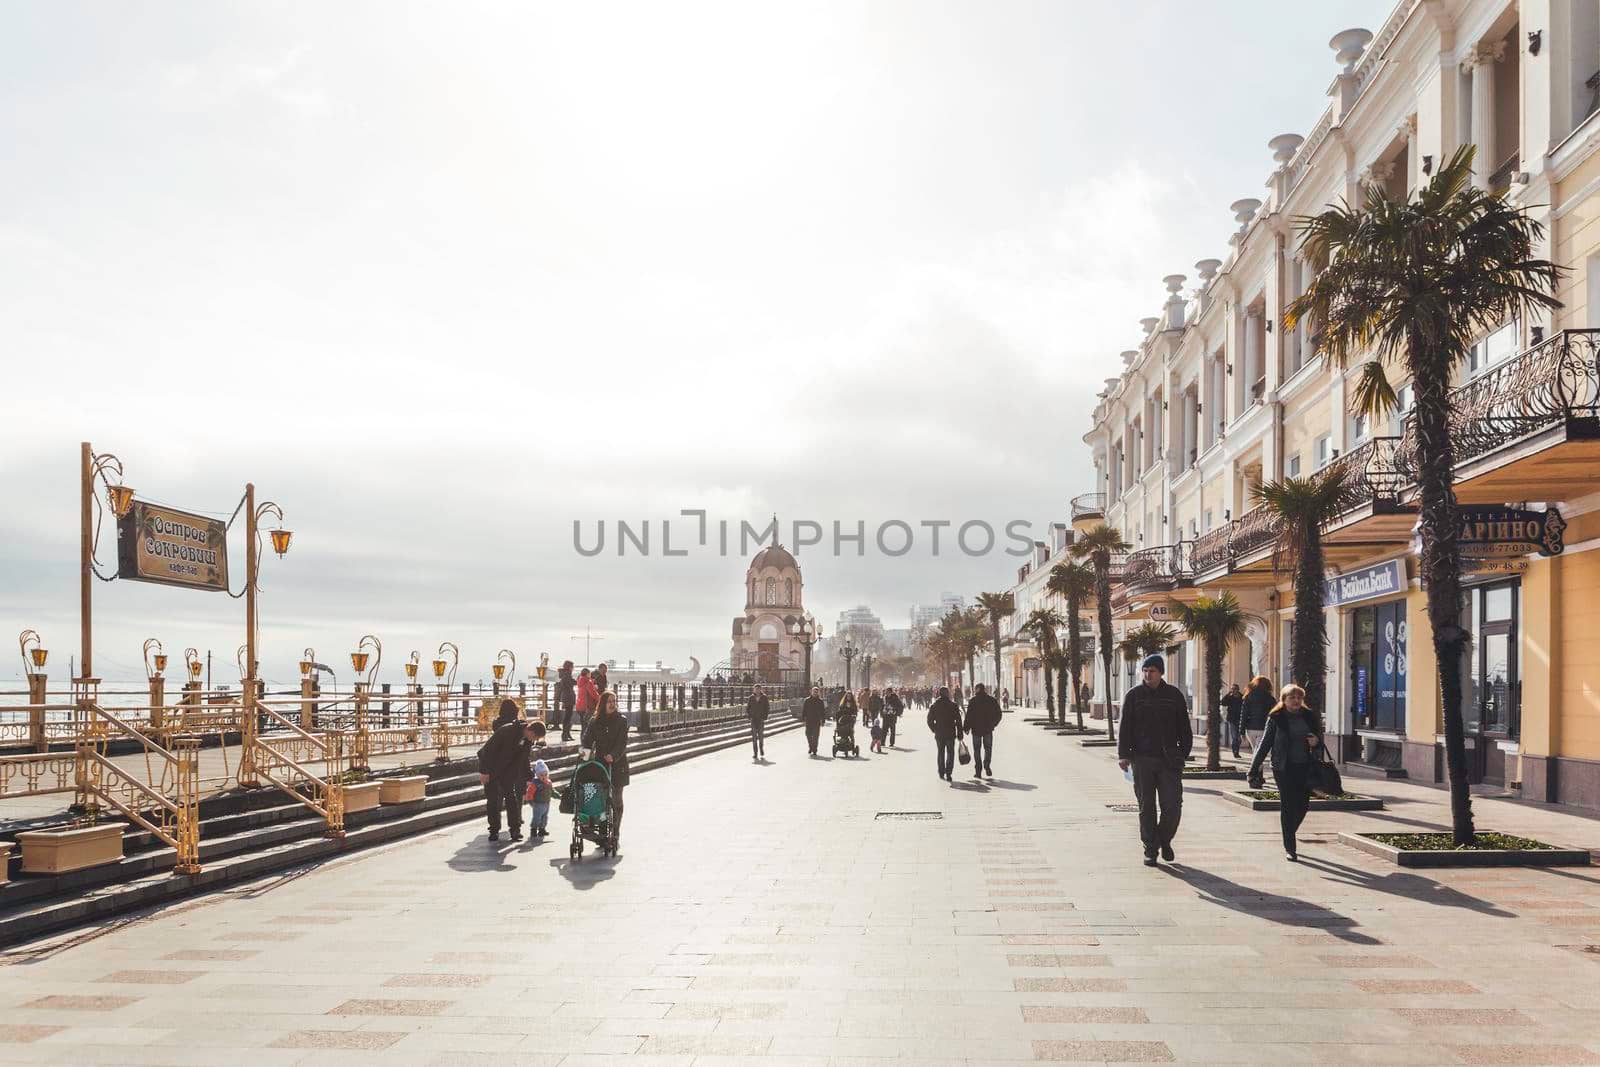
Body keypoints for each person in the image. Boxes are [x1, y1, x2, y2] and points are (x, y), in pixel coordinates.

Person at [1116, 654, 1192, 866]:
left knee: (1173, 806)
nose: (1148, 674)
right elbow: (1125, 727)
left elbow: (1184, 727)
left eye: (1153, 671)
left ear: (1161, 673)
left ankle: (1164, 839)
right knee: (1146, 806)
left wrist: (1183, 752)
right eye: (1146, 670)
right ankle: (1150, 848)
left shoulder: (1174, 695)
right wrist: (1123, 754)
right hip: (1142, 759)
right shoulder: (1134, 695)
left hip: (1169, 761)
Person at [1247, 684, 1325, 862]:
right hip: (1283, 768)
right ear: (1284, 700)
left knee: (1303, 806)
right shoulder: (1276, 718)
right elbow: (1264, 744)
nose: (1296, 701)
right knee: (1288, 805)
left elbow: (1320, 740)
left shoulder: (1309, 716)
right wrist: (1253, 769)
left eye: (1299, 697)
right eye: (1292, 698)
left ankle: (1288, 831)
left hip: (1306, 766)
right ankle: (1290, 847)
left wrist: (1316, 742)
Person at [477, 717, 540, 841]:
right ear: (530, 731)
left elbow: (524, 759)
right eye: (535, 737)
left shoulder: (527, 741)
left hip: (508, 773)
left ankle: (515, 830)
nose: (535, 741)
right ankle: (494, 830)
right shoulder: (507, 730)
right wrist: (484, 771)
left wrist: (529, 776)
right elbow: (487, 751)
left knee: (511, 800)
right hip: (492, 771)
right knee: (493, 801)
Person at [581, 691, 630, 845]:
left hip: (618, 764)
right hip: (600, 764)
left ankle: (615, 832)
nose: (612, 703)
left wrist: (613, 756)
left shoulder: (621, 720)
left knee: (616, 800)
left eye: (614, 701)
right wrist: (584, 757)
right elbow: (587, 741)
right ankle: (602, 831)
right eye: (609, 701)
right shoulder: (595, 721)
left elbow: (622, 742)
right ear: (603, 703)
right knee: (600, 799)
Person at [963, 682, 1002, 779]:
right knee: (988, 748)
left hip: (976, 730)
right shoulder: (991, 700)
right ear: (984, 689)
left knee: (977, 750)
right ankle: (987, 765)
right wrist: (994, 724)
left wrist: (966, 727)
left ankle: (978, 770)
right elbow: (999, 714)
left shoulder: (973, 701)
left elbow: (969, 716)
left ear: (977, 689)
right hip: (988, 729)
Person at [926, 686, 963, 782]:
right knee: (950, 753)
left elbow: (929, 720)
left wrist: (934, 729)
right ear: (947, 693)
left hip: (939, 733)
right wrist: (960, 733)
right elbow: (958, 721)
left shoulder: (934, 705)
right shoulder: (953, 705)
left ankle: (941, 772)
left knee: (940, 752)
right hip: (950, 733)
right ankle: (949, 773)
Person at [1242, 676, 1274, 752]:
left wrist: (1242, 731)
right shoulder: (1270, 698)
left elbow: (1244, 714)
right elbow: (1274, 714)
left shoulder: (1248, 697)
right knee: (1259, 751)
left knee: (1255, 750)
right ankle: (1257, 763)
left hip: (1250, 729)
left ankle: (1257, 763)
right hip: (1263, 728)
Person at [528, 756, 553, 838]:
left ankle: (542, 829)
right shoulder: (535, 783)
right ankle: (533, 829)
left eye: (545, 774)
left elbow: (551, 791)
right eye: (541, 775)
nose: (544, 776)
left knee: (544, 817)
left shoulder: (548, 782)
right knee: (537, 817)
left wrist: (557, 795)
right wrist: (531, 801)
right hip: (538, 803)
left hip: (546, 803)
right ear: (537, 775)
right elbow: (530, 792)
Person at [745, 685, 770, 760]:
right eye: (755, 689)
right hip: (753, 720)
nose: (757, 691)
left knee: (761, 736)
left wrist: (765, 717)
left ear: (760, 690)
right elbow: (748, 708)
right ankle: (755, 753)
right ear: (754, 690)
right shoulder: (751, 698)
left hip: (761, 720)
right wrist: (749, 716)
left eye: (758, 689)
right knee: (754, 738)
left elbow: (767, 708)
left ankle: (761, 748)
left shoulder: (764, 697)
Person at [801, 687, 827, 755]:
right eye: (814, 692)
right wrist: (803, 719)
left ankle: (814, 749)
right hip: (809, 720)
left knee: (815, 736)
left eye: (816, 692)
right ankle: (811, 746)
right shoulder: (807, 700)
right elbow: (804, 710)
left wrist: (823, 721)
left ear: (818, 693)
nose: (815, 693)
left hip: (817, 721)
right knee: (808, 734)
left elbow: (823, 712)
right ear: (811, 692)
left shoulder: (820, 701)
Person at [555, 660, 577, 741]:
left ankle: (567, 734)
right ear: (569, 667)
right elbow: (570, 683)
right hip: (568, 696)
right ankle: (565, 734)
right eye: (572, 666)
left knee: (568, 716)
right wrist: (574, 681)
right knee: (568, 716)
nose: (573, 668)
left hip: (567, 696)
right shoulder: (567, 674)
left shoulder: (565, 674)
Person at [1221, 683, 1245, 759]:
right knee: (1235, 737)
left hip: (1241, 719)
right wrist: (1227, 695)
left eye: (1234, 689)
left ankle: (1236, 750)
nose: (1233, 690)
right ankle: (1235, 752)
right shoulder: (1230, 697)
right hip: (1232, 720)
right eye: (1232, 689)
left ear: (1238, 689)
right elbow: (1222, 703)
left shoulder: (1242, 697)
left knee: (1239, 738)